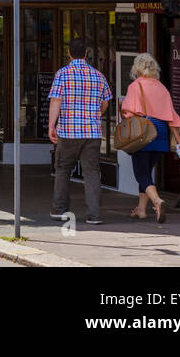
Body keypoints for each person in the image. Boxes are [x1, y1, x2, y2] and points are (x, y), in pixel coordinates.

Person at [47, 37, 114, 226]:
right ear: (86, 53)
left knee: (62, 170)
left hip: (68, 132)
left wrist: (52, 125)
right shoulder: (98, 75)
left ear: (68, 53)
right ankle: (94, 215)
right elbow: (106, 102)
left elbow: (56, 100)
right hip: (92, 133)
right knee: (92, 172)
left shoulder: (63, 74)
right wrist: (93, 114)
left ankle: (59, 210)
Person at [120, 52, 180, 224]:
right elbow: (170, 116)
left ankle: (157, 201)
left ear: (137, 68)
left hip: (143, 133)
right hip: (160, 134)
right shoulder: (161, 88)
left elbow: (128, 111)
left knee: (141, 174)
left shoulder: (135, 86)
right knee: (147, 173)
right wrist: (179, 141)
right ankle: (142, 210)